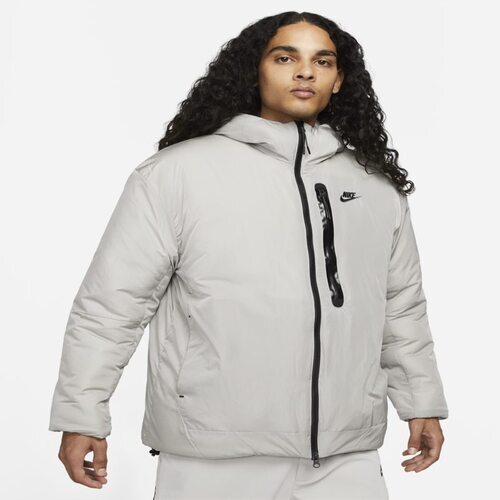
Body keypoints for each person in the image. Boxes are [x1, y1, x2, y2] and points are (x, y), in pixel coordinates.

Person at [48, 11, 449, 499]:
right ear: (254, 69)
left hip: (345, 455)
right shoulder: (176, 174)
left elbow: (400, 307)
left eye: (322, 61)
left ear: (339, 79)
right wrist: (82, 414)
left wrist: (420, 402)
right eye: (285, 58)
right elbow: (112, 305)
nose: (306, 72)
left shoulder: (375, 187)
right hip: (212, 453)